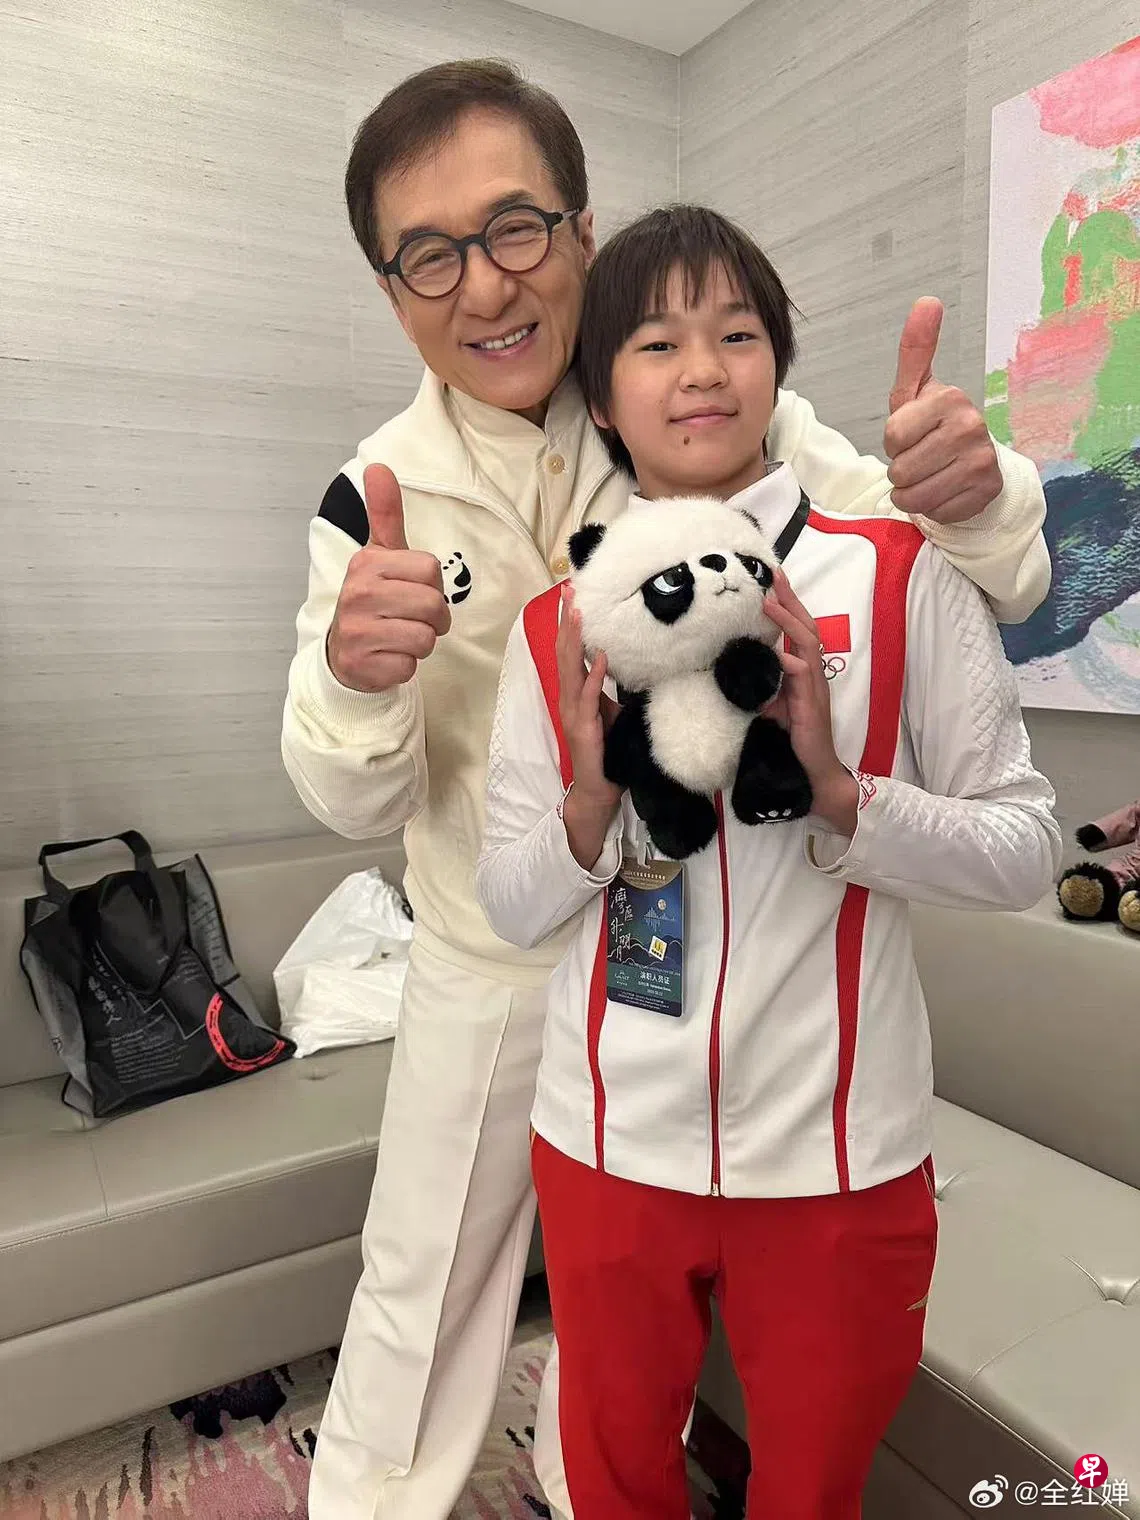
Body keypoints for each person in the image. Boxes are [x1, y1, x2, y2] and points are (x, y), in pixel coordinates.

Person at [281, 59, 1052, 1520]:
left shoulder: (697, 395)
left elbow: (957, 561)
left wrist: (988, 487)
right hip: (496, 943)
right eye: (429, 255)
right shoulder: (370, 490)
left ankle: (595, 1486)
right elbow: (345, 798)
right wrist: (355, 678)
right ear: (391, 290)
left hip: (702, 968)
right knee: (422, 1287)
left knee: (618, 1341)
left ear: (581, 232)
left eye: (516, 228)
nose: (484, 284)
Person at [474, 204, 1061, 1519]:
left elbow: (1025, 846)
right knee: (615, 1482)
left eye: (736, 334)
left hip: (838, 1157)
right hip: (606, 1141)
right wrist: (587, 805)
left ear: (778, 367)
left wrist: (845, 797)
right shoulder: (558, 623)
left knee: (812, 1493)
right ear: (602, 397)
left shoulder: (898, 577)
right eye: (655, 343)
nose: (701, 370)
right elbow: (510, 902)